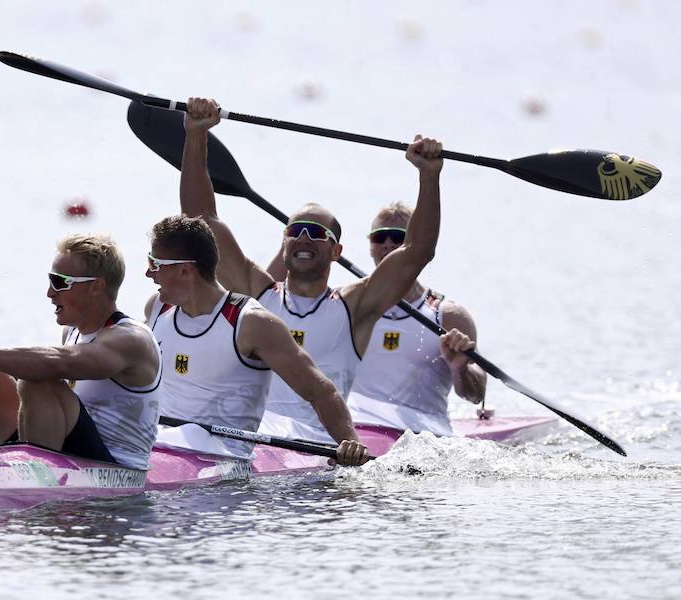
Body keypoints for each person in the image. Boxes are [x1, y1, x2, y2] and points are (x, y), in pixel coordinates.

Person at [180, 97, 444, 445]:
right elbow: (201, 220)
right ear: (284, 241)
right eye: (296, 230)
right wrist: (196, 135)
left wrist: (429, 176)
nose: (304, 237)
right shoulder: (256, 292)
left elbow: (417, 251)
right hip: (254, 442)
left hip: (315, 450)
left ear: (336, 252)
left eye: (317, 233)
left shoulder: (355, 307)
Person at [144, 215, 368, 466]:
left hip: (221, 460)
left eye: (154, 263)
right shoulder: (157, 308)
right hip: (160, 443)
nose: (148, 273)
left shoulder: (252, 323)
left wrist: (350, 444)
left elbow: (318, 390)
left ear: (184, 269)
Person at [0, 234, 162, 470]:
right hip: (70, 449)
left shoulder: (131, 340)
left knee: (39, 382)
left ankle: (36, 486)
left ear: (96, 287)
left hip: (115, 469)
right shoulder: (72, 331)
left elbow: (58, 364)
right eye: (50, 280)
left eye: (60, 282)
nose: (49, 293)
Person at [293, 202, 488, 435]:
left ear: (415, 244)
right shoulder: (343, 306)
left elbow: (476, 395)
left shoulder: (448, 316)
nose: (388, 245)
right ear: (370, 246)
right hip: (351, 430)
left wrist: (461, 369)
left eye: (398, 237)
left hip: (421, 436)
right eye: (380, 238)